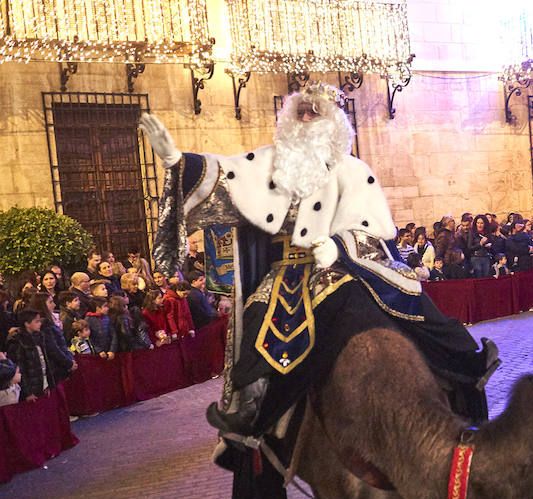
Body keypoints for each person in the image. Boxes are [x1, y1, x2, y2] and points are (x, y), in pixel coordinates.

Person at [139, 82, 497, 441]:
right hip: (283, 273)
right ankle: (252, 411)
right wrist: (178, 162)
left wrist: (340, 247)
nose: (307, 116)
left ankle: (463, 361)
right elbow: (226, 176)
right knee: (258, 318)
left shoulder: (353, 170)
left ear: (333, 122)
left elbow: (373, 227)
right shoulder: (268, 165)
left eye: (315, 112)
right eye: (301, 111)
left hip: (344, 266)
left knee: (404, 304)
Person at [29, 292, 76, 385]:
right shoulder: (44, 325)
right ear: (42, 305)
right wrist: (68, 363)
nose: (54, 305)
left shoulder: (49, 322)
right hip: (56, 369)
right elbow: (53, 348)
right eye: (50, 302)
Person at [6, 309, 53, 401]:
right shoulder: (18, 342)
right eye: (37, 322)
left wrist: (49, 383)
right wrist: (27, 392)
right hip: (31, 387)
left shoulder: (39, 337)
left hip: (43, 382)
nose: (40, 324)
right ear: (27, 324)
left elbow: (44, 361)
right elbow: (21, 369)